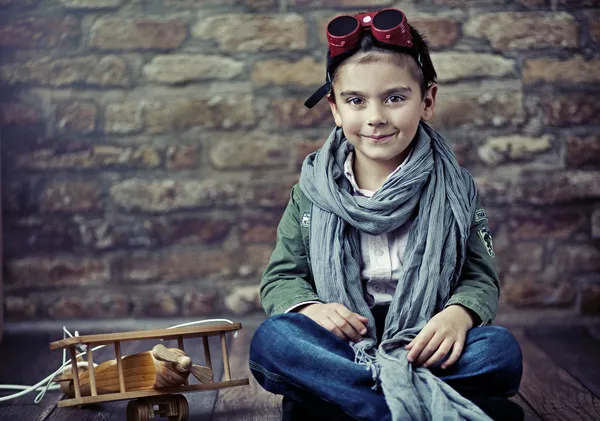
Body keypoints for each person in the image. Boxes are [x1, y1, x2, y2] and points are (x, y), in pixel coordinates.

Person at [249, 8, 523, 421]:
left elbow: (478, 275)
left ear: (427, 100)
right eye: (355, 101)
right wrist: (310, 310)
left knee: (499, 351)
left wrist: (457, 315)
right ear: (335, 109)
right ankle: (404, 407)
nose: (375, 117)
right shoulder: (310, 192)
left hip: (421, 342)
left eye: (395, 98)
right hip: (345, 343)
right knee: (273, 340)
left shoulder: (456, 189)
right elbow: (282, 277)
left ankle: (343, 401)